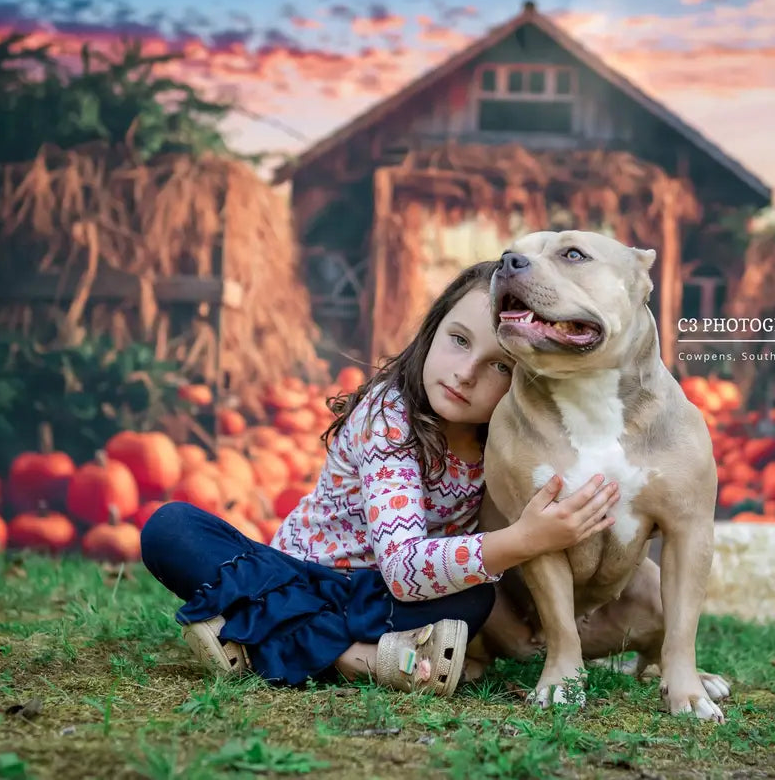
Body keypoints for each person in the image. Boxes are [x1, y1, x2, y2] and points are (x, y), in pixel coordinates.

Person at [140, 260, 620, 697]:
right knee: (172, 528)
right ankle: (356, 660)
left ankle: (252, 636)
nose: (466, 373)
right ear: (432, 332)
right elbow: (405, 567)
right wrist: (525, 539)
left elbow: (410, 583)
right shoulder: (390, 414)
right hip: (299, 571)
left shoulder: (504, 440)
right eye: (458, 340)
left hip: (376, 601)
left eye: (498, 365)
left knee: (473, 599)